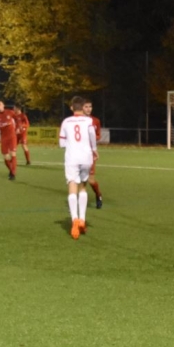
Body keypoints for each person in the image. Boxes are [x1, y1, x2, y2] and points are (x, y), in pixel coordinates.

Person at [59, 96, 98, 240]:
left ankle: (74, 219)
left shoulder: (66, 121)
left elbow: (62, 143)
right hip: (86, 157)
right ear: (83, 107)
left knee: (72, 185)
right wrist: (94, 150)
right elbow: (92, 136)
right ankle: (82, 219)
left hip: (72, 158)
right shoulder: (88, 121)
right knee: (83, 186)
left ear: (71, 108)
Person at [83, 99, 103, 209]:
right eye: (86, 107)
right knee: (80, 180)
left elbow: (98, 135)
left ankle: (98, 195)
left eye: (90, 106)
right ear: (81, 108)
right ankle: (81, 202)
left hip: (90, 153)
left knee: (90, 180)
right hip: (79, 153)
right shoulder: (77, 121)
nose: (88, 109)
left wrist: (93, 138)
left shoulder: (95, 121)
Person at [0, 100, 19, 181]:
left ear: (3, 105)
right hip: (4, 138)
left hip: (12, 136)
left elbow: (17, 119)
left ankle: (13, 174)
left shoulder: (10, 112)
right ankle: (11, 170)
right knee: (6, 157)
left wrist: (18, 127)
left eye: (0, 104)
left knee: (13, 154)